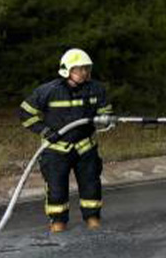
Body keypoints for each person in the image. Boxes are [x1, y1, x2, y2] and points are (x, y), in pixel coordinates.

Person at [18, 49, 113, 232]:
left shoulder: (96, 89)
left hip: (86, 148)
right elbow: (25, 113)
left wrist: (105, 119)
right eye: (79, 69)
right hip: (56, 150)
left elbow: (105, 111)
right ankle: (58, 222)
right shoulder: (48, 91)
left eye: (86, 68)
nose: (84, 72)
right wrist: (45, 131)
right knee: (56, 188)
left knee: (91, 186)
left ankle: (93, 219)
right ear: (67, 70)